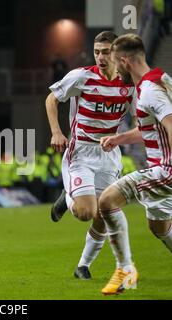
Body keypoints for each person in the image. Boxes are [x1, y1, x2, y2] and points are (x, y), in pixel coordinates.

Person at [45, 31, 136, 279]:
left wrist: (125, 138)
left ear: (117, 53)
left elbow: (141, 122)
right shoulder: (81, 76)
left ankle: (83, 266)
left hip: (109, 154)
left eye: (106, 52)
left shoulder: (129, 84)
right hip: (81, 152)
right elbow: (52, 99)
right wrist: (56, 132)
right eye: (97, 51)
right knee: (86, 212)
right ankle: (68, 198)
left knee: (104, 214)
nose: (100, 57)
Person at [99, 33, 172, 295]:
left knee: (107, 201)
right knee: (159, 228)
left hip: (166, 169)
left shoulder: (151, 92)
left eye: (116, 62)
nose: (115, 68)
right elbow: (151, 129)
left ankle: (125, 270)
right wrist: (119, 138)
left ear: (125, 61)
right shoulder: (160, 81)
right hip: (161, 165)